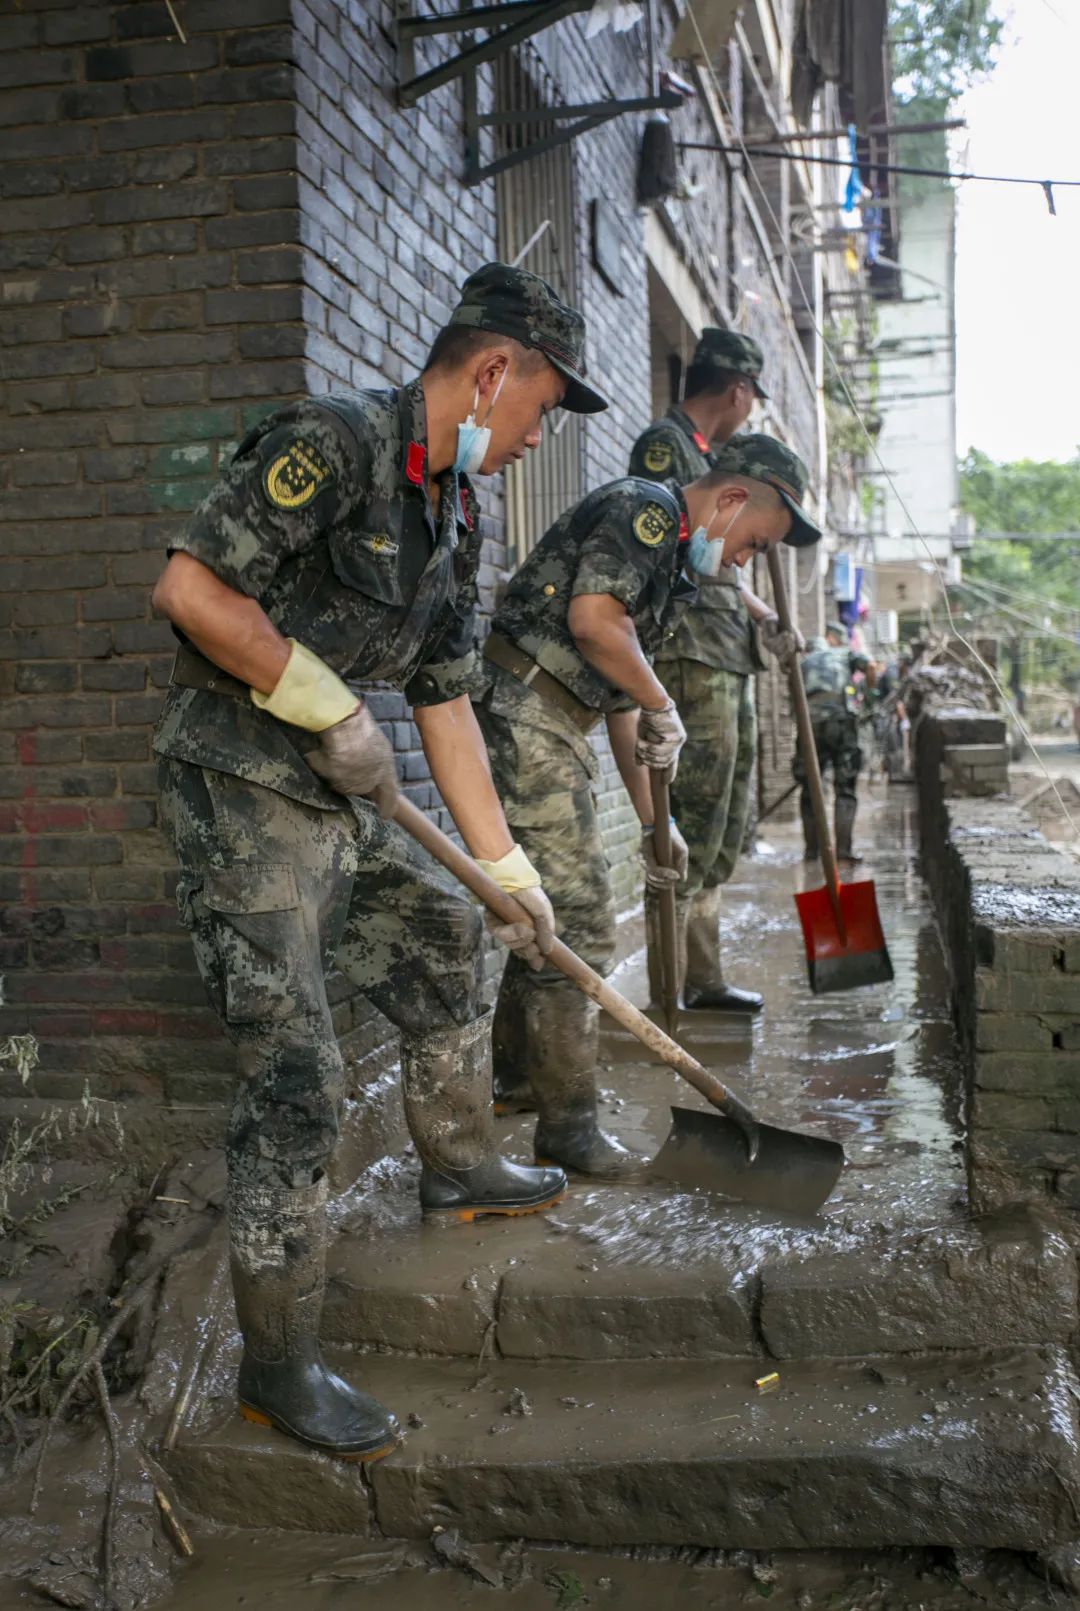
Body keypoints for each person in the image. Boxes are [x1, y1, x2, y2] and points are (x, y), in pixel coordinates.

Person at [149, 263, 608, 1463]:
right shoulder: (336, 444)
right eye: (544, 406)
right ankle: (276, 1364)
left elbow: (447, 703)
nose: (537, 436)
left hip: (340, 802)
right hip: (241, 787)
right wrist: (313, 697)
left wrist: (504, 869)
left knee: (446, 932)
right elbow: (191, 588)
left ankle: (456, 1162)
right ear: (494, 371)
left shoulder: (456, 513)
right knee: (296, 1071)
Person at [474, 436, 821, 1174]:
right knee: (581, 923)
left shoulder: (672, 577)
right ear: (732, 502)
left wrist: (657, 824)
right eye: (755, 542)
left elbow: (629, 705)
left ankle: (512, 1080)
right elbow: (595, 624)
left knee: (536, 915)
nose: (745, 562)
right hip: (525, 709)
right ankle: (568, 1131)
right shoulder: (647, 512)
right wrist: (664, 699)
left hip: (558, 719)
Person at [629, 330, 805, 1014]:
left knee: (726, 821)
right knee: (690, 817)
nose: (750, 409)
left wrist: (762, 614)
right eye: (753, 398)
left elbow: (724, 567)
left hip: (728, 646)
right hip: (687, 650)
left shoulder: (709, 454)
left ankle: (703, 974)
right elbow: (685, 545)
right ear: (738, 391)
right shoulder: (665, 447)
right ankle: (670, 986)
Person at [795, 622, 876, 862]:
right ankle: (843, 851)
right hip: (842, 722)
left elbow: (795, 699)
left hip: (811, 725)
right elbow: (871, 666)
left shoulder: (803, 663)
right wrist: (869, 695)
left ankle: (812, 852)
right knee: (845, 788)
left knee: (810, 790)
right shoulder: (844, 653)